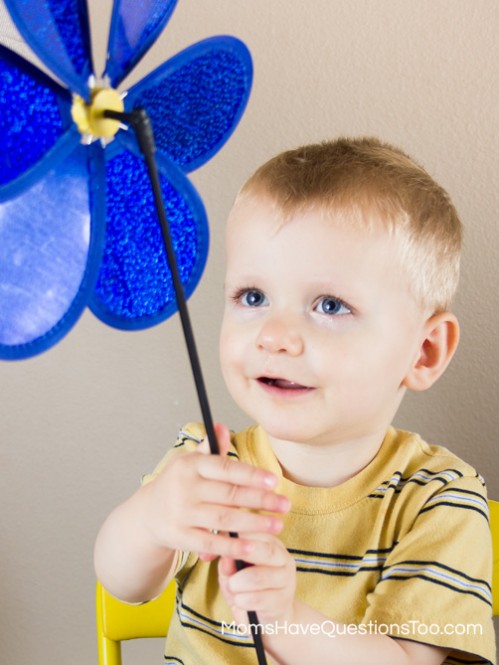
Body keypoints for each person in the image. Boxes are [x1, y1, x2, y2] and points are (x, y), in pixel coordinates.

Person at [94, 137, 495, 664]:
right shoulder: (211, 465)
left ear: (423, 352)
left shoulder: (439, 501)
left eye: (330, 305)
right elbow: (126, 585)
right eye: (253, 297)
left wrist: (286, 621)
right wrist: (151, 519)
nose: (275, 335)